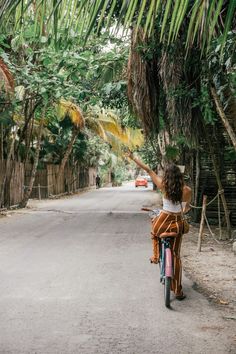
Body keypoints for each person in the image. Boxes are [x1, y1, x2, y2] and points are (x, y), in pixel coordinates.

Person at [127, 150, 191, 300]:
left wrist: (132, 157)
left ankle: (156, 256)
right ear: (181, 177)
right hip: (177, 223)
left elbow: (148, 170)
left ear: (167, 176)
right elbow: (186, 208)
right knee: (176, 255)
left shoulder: (163, 185)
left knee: (154, 231)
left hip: (163, 221)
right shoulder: (187, 190)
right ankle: (178, 291)